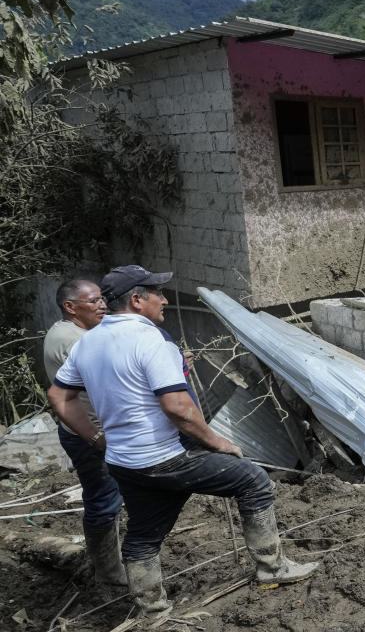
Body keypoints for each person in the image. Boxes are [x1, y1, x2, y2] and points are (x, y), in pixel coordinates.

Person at [48, 265, 317, 618]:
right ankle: (273, 569)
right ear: (136, 300)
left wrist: (97, 438)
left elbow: (58, 394)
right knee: (254, 481)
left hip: (125, 461)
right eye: (158, 293)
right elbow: (177, 408)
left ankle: (153, 610)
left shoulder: (90, 342)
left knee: (143, 536)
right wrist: (217, 441)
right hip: (164, 458)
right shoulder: (150, 340)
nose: (165, 300)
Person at [42, 279, 126, 587]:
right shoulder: (75, 340)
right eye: (94, 301)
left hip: (88, 429)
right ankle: (109, 573)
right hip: (88, 433)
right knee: (103, 498)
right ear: (71, 307)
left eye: (102, 299)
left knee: (108, 494)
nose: (102, 305)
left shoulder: (76, 333)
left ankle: (112, 562)